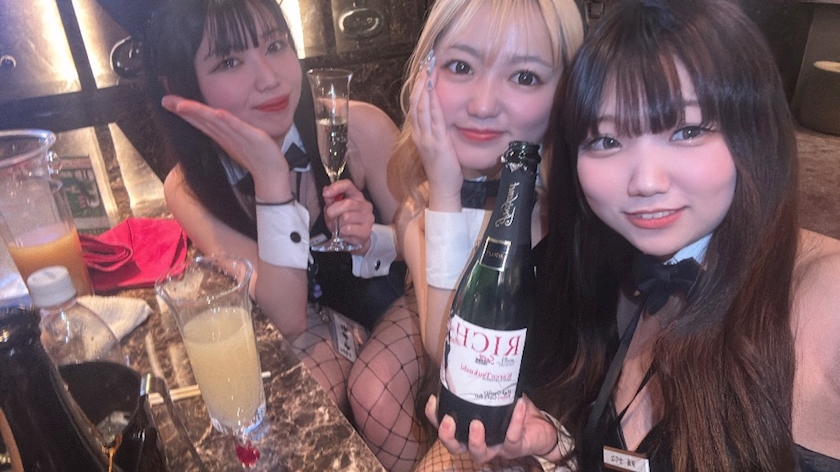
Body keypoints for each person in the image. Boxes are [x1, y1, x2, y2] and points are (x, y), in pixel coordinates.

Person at [425, 0, 840, 471]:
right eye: (607, 140)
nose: (645, 181)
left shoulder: (825, 299)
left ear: (755, 131)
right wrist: (555, 446)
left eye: (687, 131)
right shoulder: (627, 275)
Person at [141, 1, 423, 468]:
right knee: (290, 409)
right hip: (313, 320)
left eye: (275, 46)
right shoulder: (191, 186)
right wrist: (271, 178)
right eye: (230, 62)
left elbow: (430, 255)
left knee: (375, 394)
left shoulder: (357, 129)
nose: (269, 78)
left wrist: (375, 237)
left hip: (396, 302)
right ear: (181, 86)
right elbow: (288, 315)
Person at [386, 0, 583, 469]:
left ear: (569, 93)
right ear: (425, 77)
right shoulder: (422, 207)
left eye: (525, 77)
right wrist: (445, 193)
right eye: (461, 67)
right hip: (488, 434)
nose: (482, 105)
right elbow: (447, 349)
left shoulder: (590, 211)